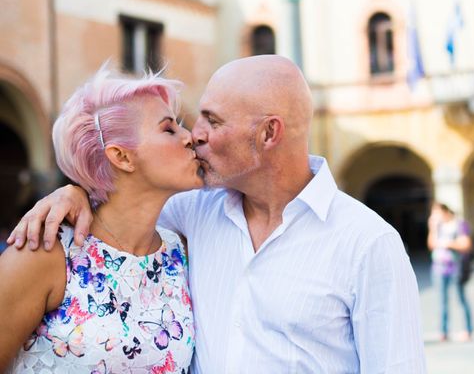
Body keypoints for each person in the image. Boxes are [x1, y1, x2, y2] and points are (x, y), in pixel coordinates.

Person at [9, 55, 427, 373]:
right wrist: (75, 191)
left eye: (211, 120)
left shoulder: (367, 243)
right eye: (179, 125)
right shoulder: (188, 214)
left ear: (268, 133)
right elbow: (122, 201)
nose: (196, 136)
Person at [0, 68, 202, 372]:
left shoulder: (181, 253)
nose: (190, 138)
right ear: (121, 157)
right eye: (169, 129)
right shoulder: (46, 252)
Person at [427, 201, 474, 342]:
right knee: (442, 301)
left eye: (437, 213)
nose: (435, 216)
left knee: (461, 299)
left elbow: (466, 245)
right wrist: (433, 228)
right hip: (439, 268)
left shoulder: (459, 224)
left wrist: (448, 244)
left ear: (445, 211)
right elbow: (431, 245)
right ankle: (444, 331)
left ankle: (468, 330)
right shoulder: (437, 227)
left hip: (456, 267)